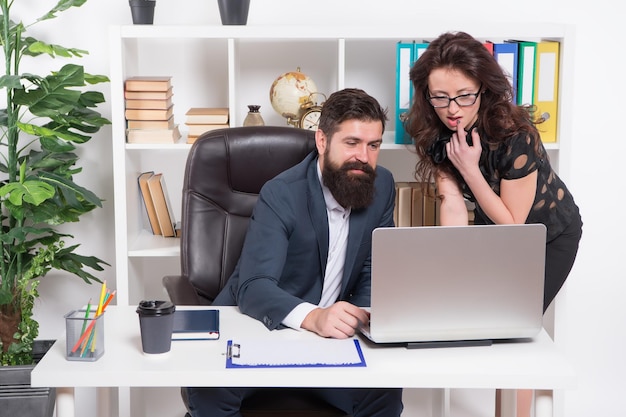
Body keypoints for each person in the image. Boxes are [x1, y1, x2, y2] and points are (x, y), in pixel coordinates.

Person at [184, 88, 403, 417]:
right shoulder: (281, 193)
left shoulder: (381, 185)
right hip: (262, 327)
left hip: (333, 341)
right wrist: (314, 317)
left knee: (384, 390)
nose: (364, 156)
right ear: (322, 141)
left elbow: (374, 268)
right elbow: (254, 286)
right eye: (352, 143)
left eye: (373, 145)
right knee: (208, 389)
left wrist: (362, 317)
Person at [406, 32, 582, 417]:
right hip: (496, 231)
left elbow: (515, 227)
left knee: (516, 328)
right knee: (482, 323)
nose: (452, 108)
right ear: (426, 95)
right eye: (440, 97)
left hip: (548, 235)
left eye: (464, 95)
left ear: (483, 90)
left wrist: (469, 168)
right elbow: (453, 205)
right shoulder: (437, 137)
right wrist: (450, 263)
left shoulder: (514, 136)